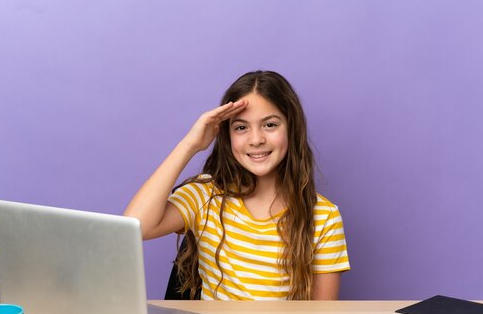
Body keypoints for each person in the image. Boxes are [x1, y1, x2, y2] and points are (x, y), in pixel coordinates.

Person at [124, 70, 350, 300]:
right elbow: (136, 226)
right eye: (241, 127)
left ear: (292, 129)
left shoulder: (323, 217)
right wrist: (190, 145)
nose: (256, 139)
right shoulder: (204, 195)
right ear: (227, 135)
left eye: (270, 125)